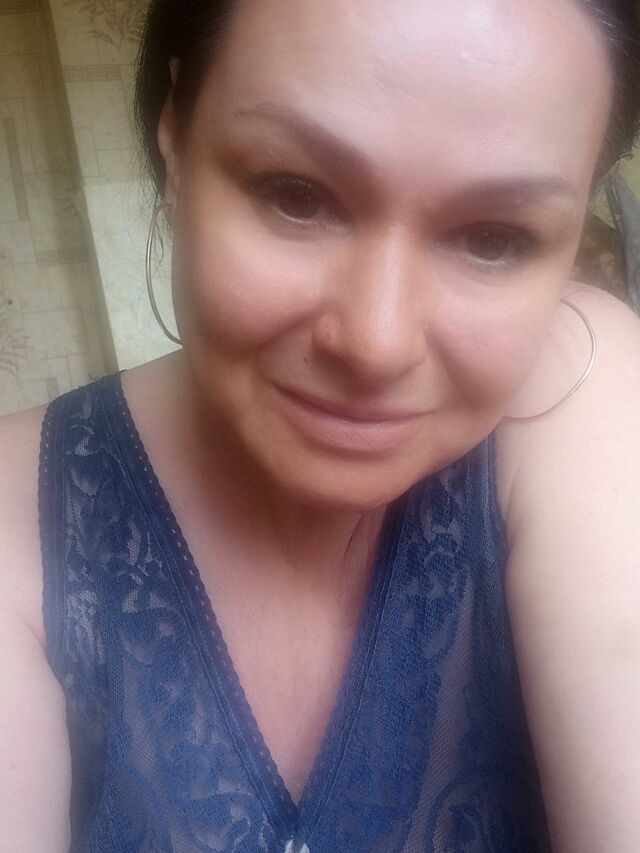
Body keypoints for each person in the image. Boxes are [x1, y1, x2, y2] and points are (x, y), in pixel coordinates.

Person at [1, 0, 639, 850]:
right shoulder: (18, 516)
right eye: (295, 194)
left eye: (494, 238)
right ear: (176, 132)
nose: (376, 343)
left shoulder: (575, 390)